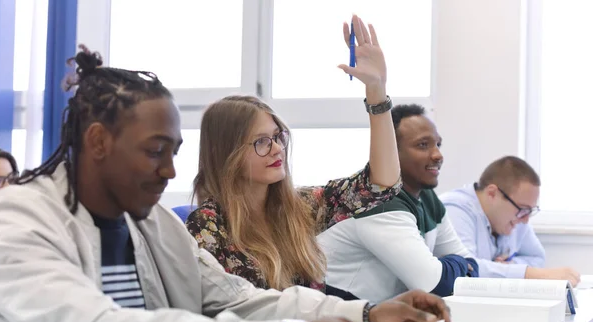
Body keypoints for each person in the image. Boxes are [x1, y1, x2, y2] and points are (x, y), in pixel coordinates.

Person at [0, 46, 450, 322]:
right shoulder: (16, 222)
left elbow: (241, 301)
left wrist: (367, 313)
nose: (170, 171)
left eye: (173, 153)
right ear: (97, 142)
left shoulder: (151, 224)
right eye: (155, 151)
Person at [186, 15, 402, 295]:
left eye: (278, 137)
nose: (277, 149)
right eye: (261, 142)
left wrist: (377, 91)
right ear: (227, 153)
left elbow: (381, 184)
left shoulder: (298, 206)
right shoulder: (207, 225)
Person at [320, 104, 477, 303]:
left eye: (438, 144)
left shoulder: (427, 197)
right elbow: (435, 286)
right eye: (423, 145)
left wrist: (450, 265)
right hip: (336, 316)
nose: (438, 155)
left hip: (379, 314)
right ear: (390, 153)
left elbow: (471, 266)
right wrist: (458, 264)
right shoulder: (379, 204)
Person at [440, 156, 580, 287]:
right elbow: (464, 268)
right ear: (492, 194)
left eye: (530, 211)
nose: (525, 220)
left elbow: (537, 258)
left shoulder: (518, 215)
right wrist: (530, 274)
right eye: (523, 209)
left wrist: (510, 265)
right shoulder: (455, 209)